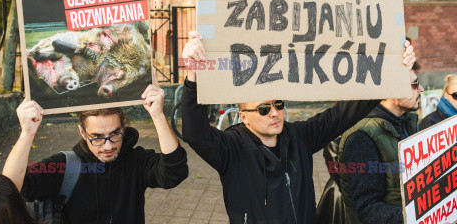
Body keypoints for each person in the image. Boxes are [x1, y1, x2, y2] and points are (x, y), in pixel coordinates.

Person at [180, 31, 416, 224]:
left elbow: (342, 115)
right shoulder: (231, 149)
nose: (274, 113)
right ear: (244, 117)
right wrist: (193, 77)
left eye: (278, 104)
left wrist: (390, 72)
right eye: (263, 109)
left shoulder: (298, 136)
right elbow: (195, 134)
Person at [2, 76, 188, 224]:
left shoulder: (136, 161)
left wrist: (158, 115)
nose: (108, 146)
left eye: (115, 134)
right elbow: (8, 188)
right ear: (82, 132)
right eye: (97, 137)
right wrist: (26, 135)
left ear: (124, 125)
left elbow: (174, 172)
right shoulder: (64, 166)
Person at [336, 62, 423, 224]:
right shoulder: (361, 137)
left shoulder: (405, 123)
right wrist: (416, 216)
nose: (421, 89)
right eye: (415, 84)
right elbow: (366, 207)